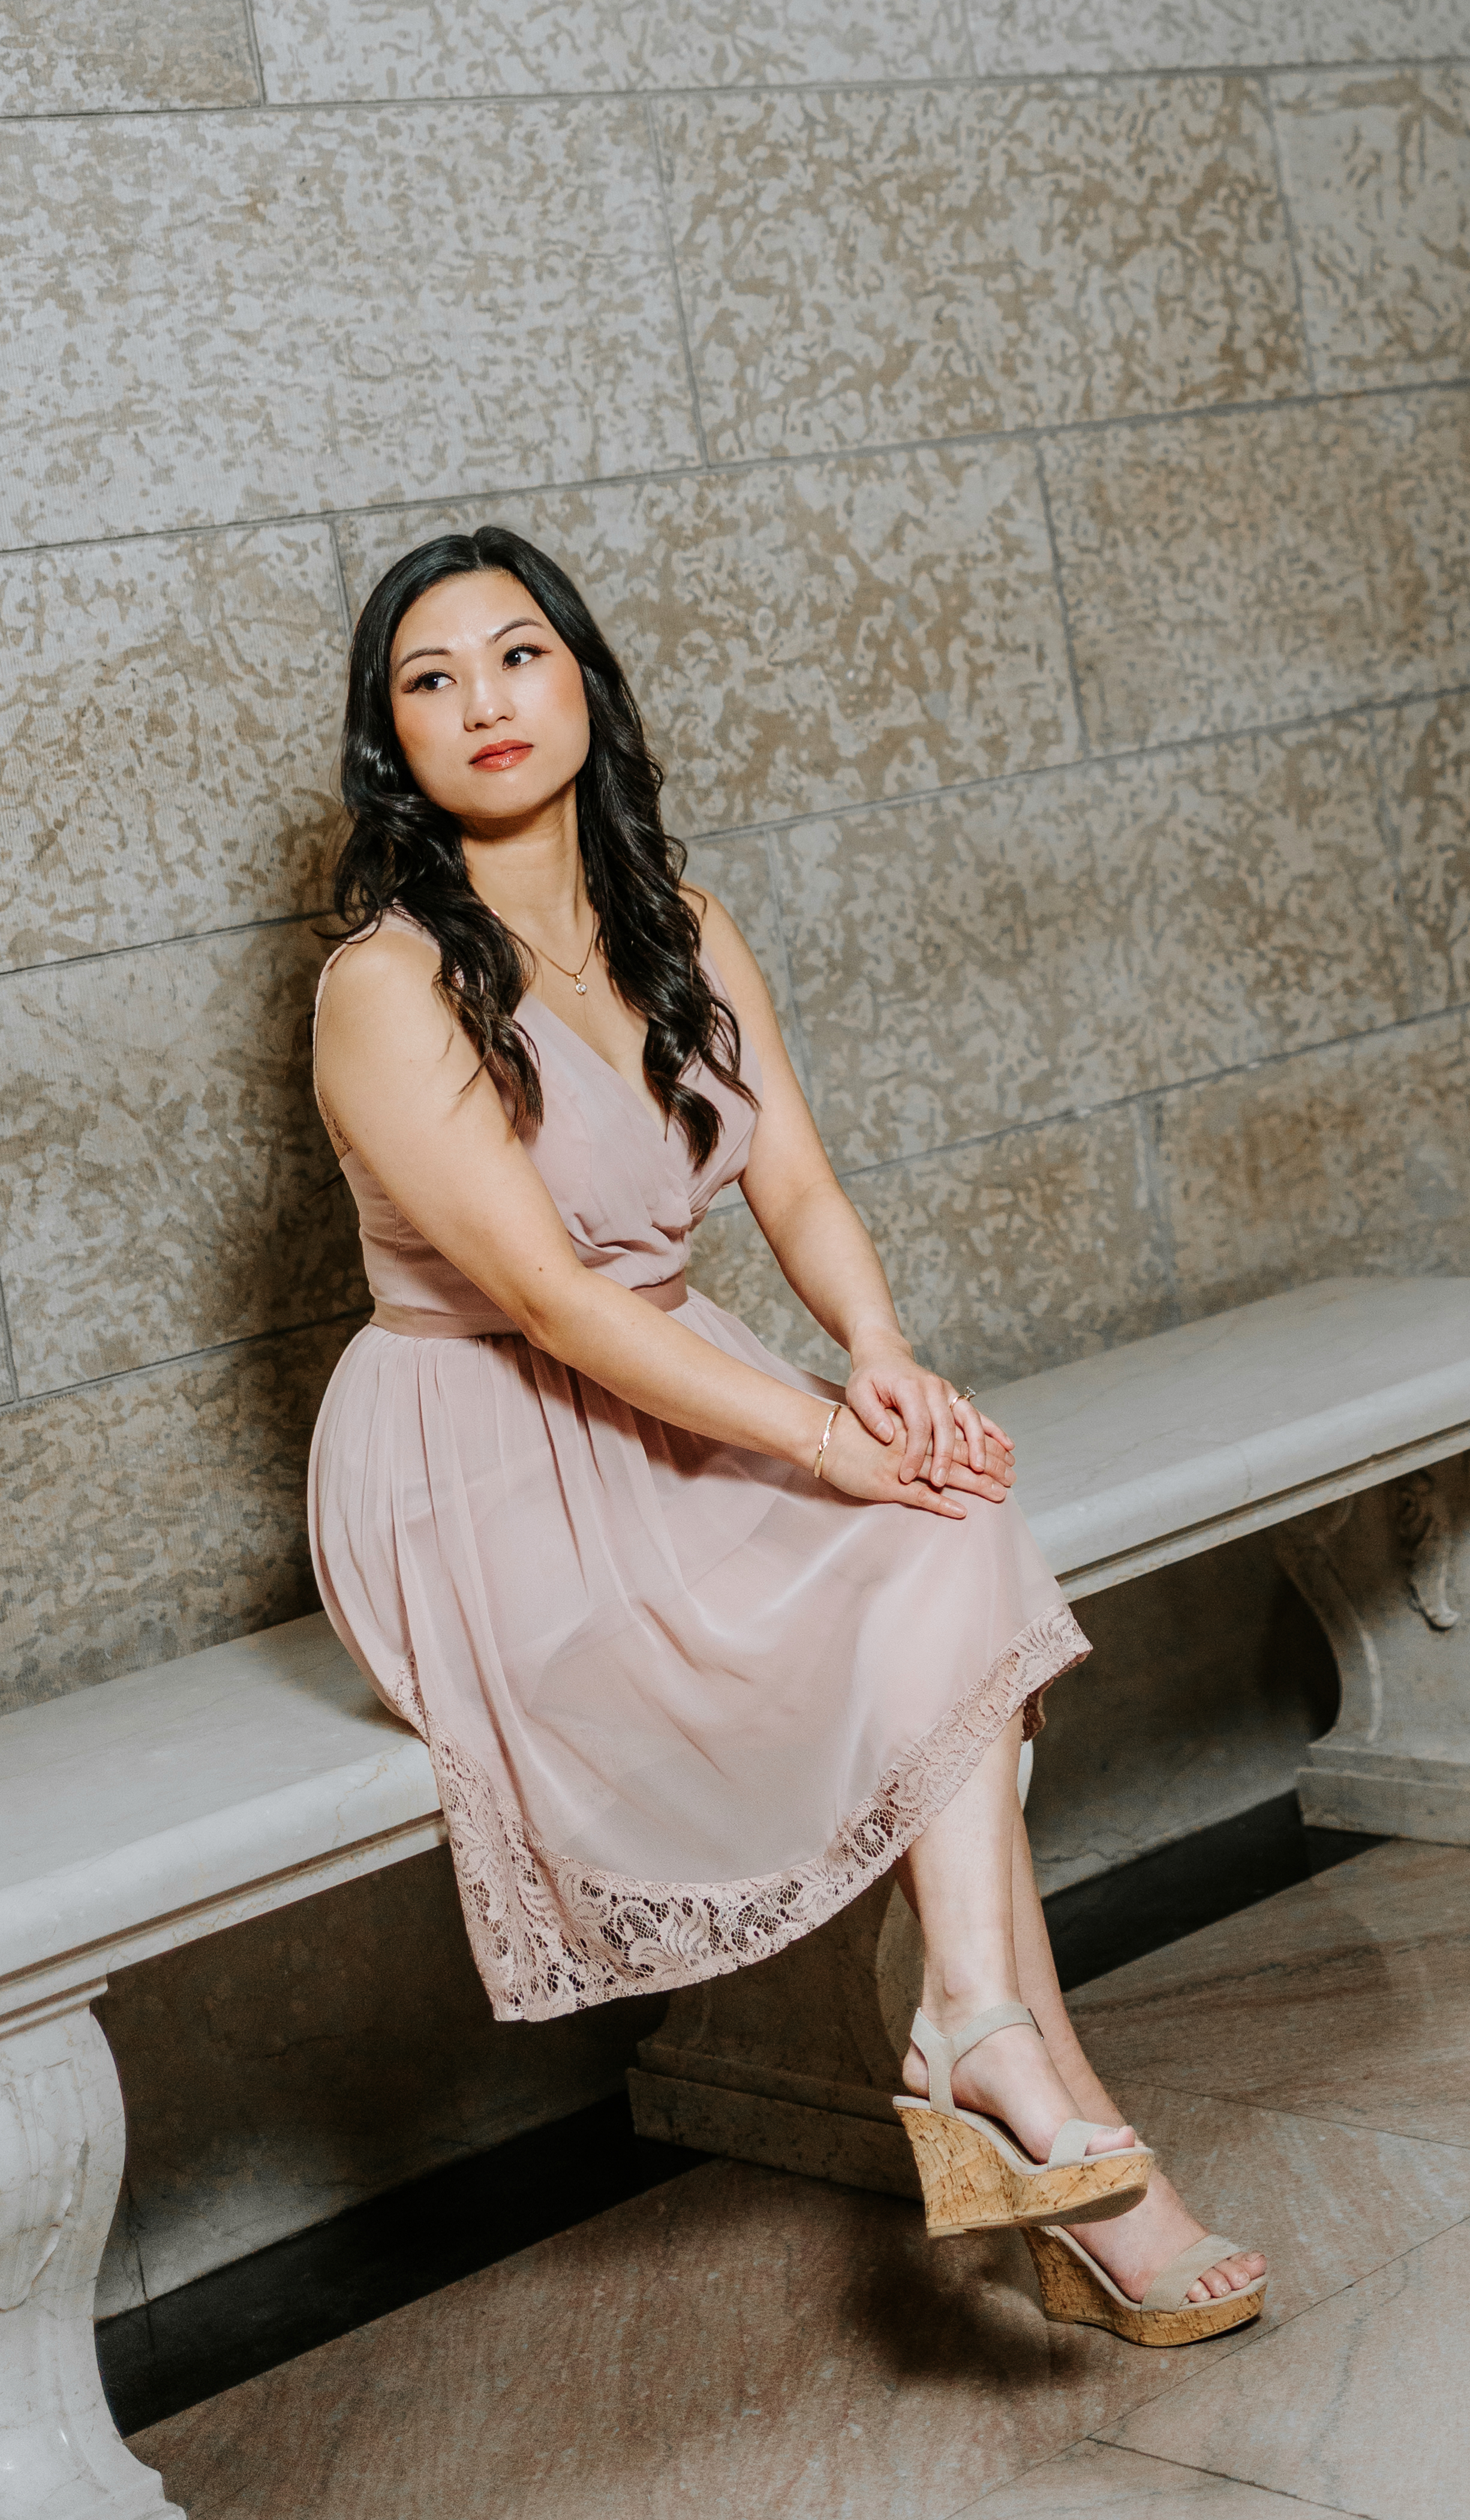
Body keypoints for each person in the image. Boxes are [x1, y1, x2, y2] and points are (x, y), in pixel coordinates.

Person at [306, 524, 1265, 2343]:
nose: (484, 703)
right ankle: (1058, 2133)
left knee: (953, 1508)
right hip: (484, 1455)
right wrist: (824, 1444)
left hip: (687, 1391)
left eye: (517, 656)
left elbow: (799, 1182)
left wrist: (880, 1353)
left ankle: (982, 2031)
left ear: (585, 677)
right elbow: (556, 1304)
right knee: (936, 1561)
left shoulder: (679, 920)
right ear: (393, 742)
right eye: (430, 682)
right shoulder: (386, 975)